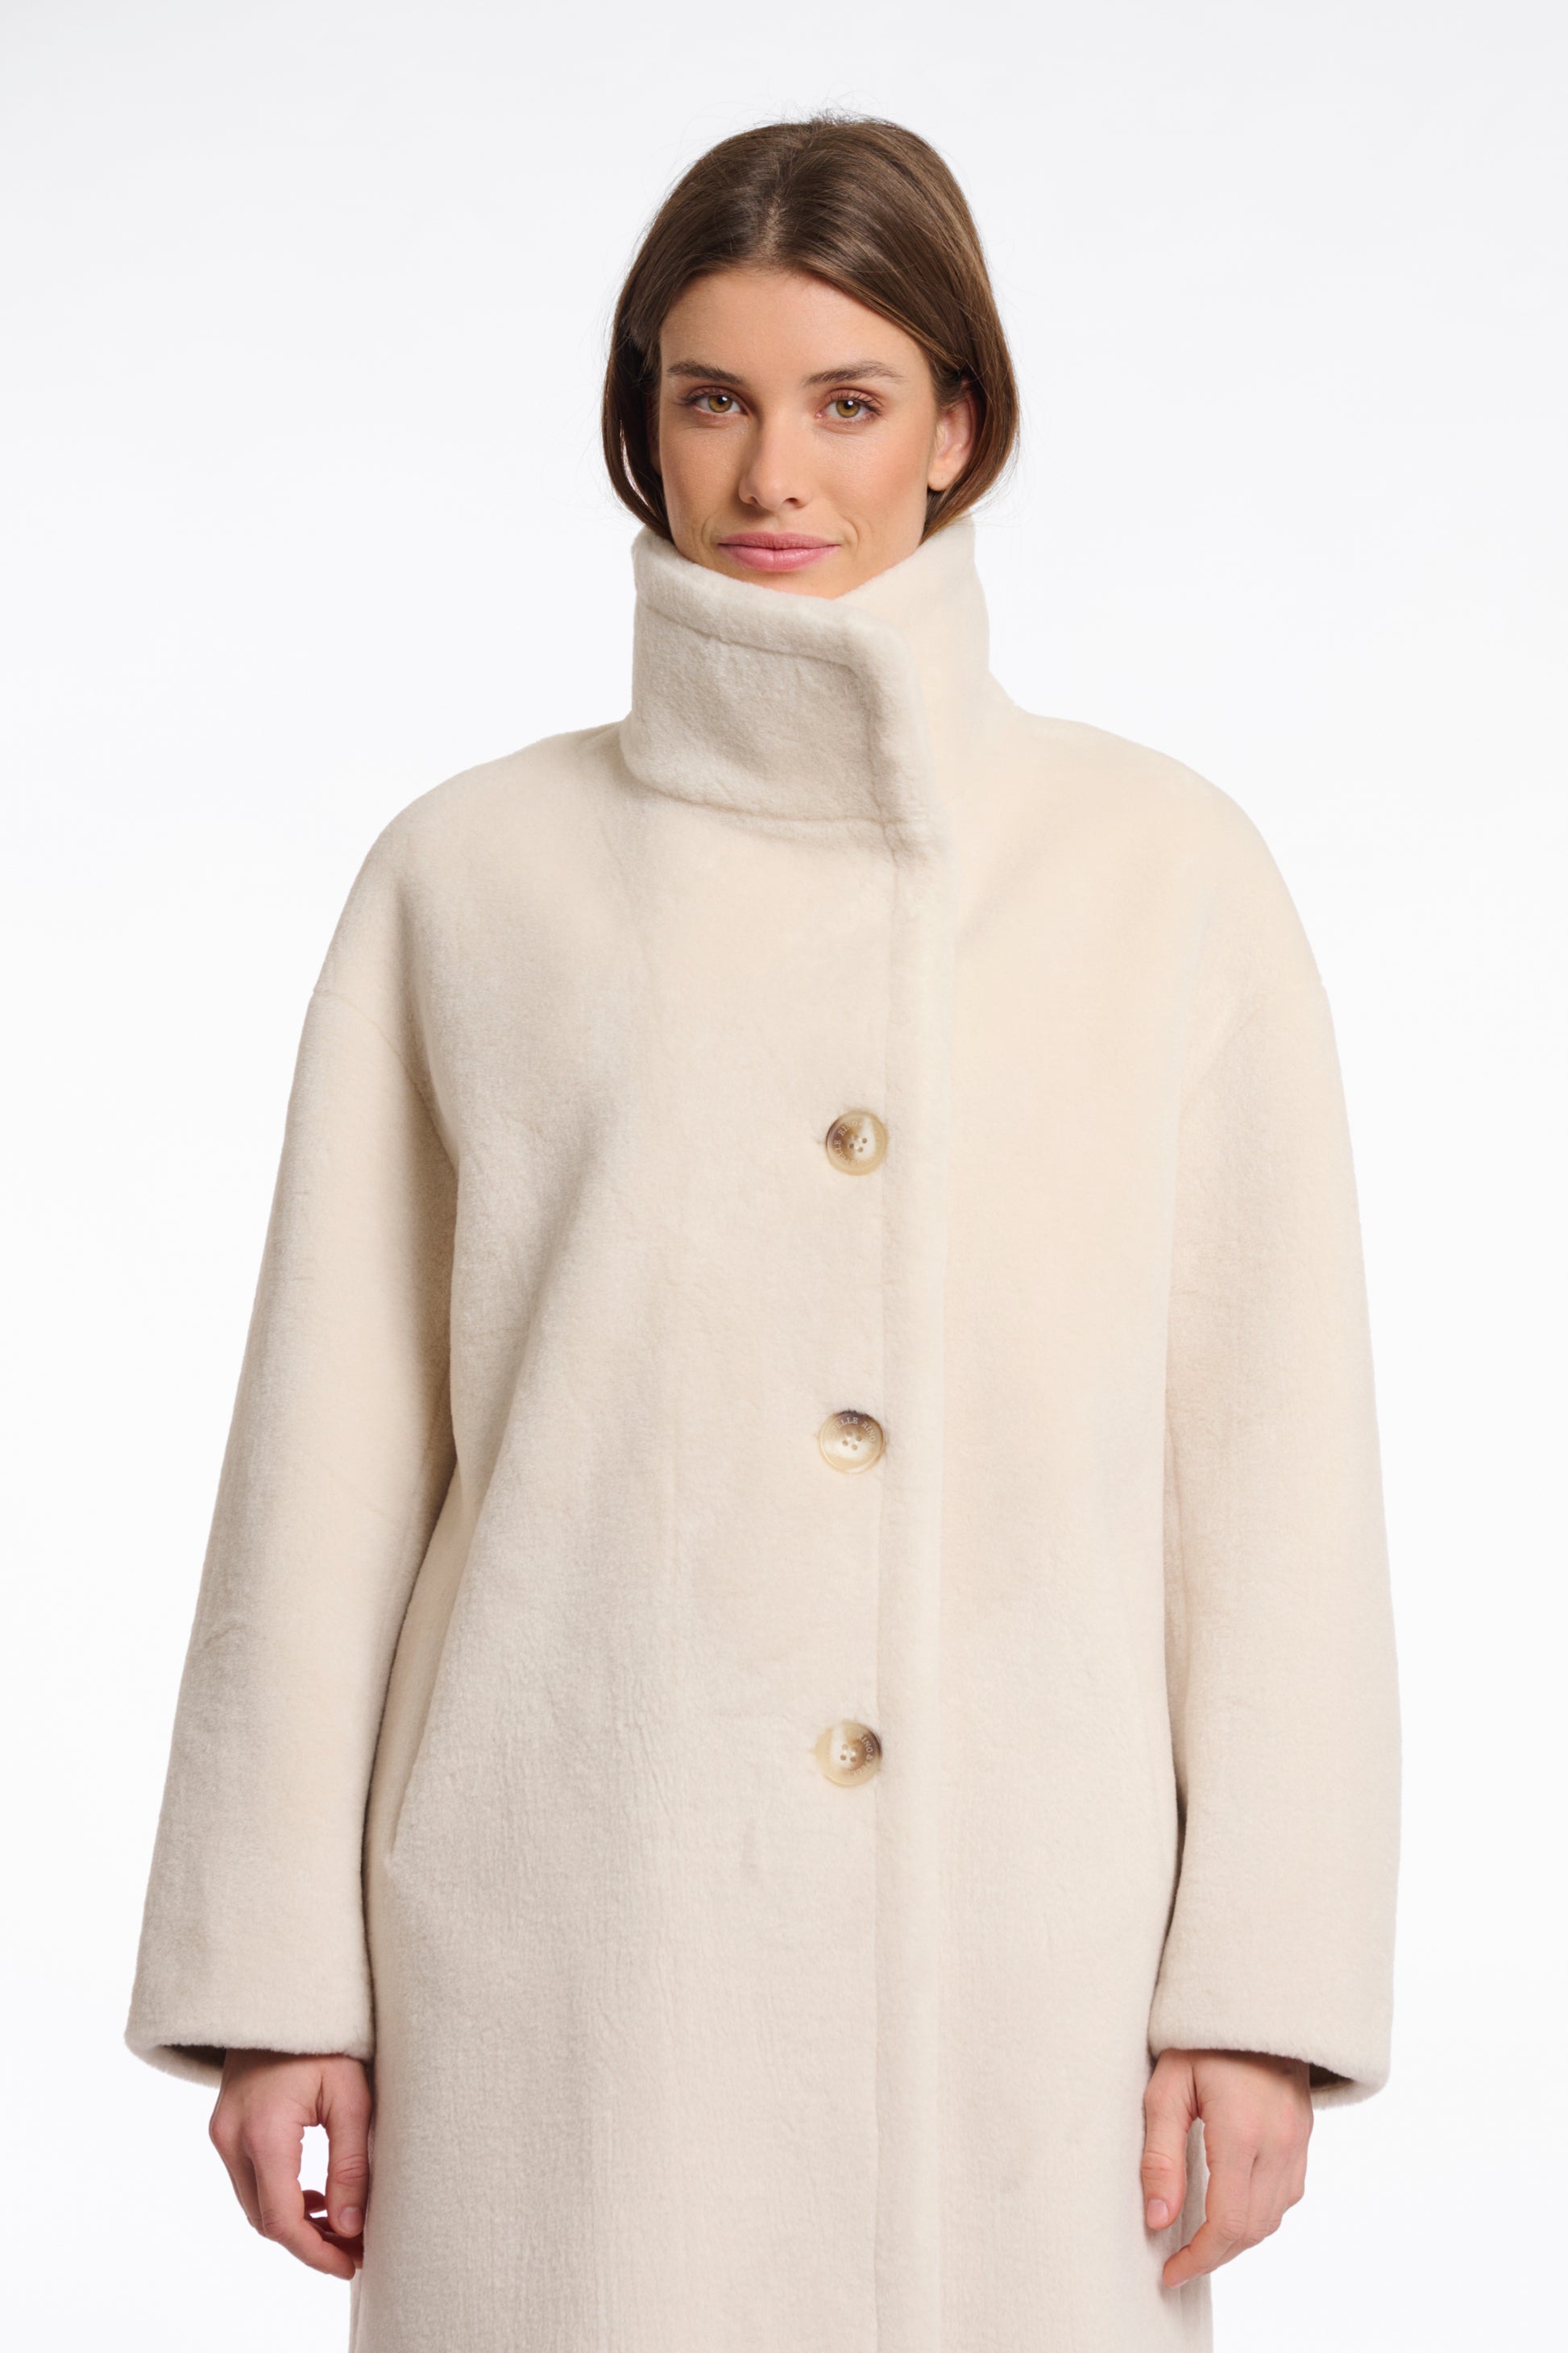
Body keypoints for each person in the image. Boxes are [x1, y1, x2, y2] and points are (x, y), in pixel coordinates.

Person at [125, 113, 1400, 2352]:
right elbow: (327, 1458)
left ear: (957, 429)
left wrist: (1260, 1996)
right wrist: (273, 1986)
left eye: (848, 401)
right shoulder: (471, 877)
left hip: (1026, 1962)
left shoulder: (1159, 872)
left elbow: (1270, 1474)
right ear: (642, 419)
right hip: (562, 1938)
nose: (773, 474)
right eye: (711, 398)